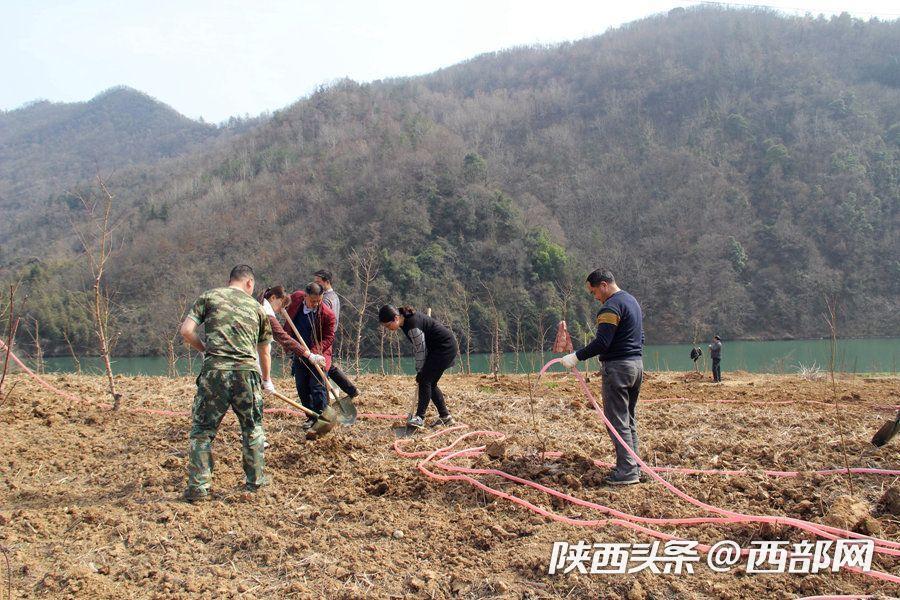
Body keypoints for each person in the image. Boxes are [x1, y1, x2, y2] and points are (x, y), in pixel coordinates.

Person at [179, 265, 273, 502]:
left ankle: (199, 488)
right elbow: (265, 351)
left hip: (215, 373)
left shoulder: (209, 297)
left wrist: (205, 350)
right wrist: (266, 380)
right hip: (246, 374)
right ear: (249, 283)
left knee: (202, 432)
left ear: (230, 280)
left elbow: (187, 331)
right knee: (252, 429)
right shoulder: (257, 308)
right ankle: (255, 483)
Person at [561, 269, 644, 486]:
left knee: (617, 421)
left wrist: (576, 356)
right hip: (636, 366)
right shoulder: (632, 301)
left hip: (618, 368)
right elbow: (640, 336)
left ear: (604, 285)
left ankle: (627, 472)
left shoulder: (610, 307)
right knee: (628, 419)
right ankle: (635, 466)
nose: (595, 297)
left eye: (594, 292)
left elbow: (602, 343)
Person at [379, 305, 457, 430]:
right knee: (430, 383)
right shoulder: (404, 320)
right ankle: (445, 417)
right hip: (435, 348)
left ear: (396, 318)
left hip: (444, 347)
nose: (388, 329)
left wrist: (420, 370)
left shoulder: (412, 326)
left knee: (425, 380)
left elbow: (420, 350)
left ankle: (420, 417)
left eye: (388, 326)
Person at [285, 282, 335, 428]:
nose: (316, 304)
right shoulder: (296, 299)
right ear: (305, 296)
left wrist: (314, 352)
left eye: (319, 300)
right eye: (313, 301)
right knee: (302, 385)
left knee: (317, 385)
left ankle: (322, 418)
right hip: (299, 351)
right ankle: (311, 416)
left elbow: (329, 337)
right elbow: (283, 301)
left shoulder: (327, 314)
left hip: (319, 353)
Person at [313, 269, 359, 399]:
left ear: (326, 282)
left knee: (324, 366)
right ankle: (351, 389)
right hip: (330, 336)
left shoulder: (326, 299)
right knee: (329, 365)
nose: (315, 284)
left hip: (323, 337)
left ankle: (326, 396)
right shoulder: (334, 296)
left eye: (318, 282)